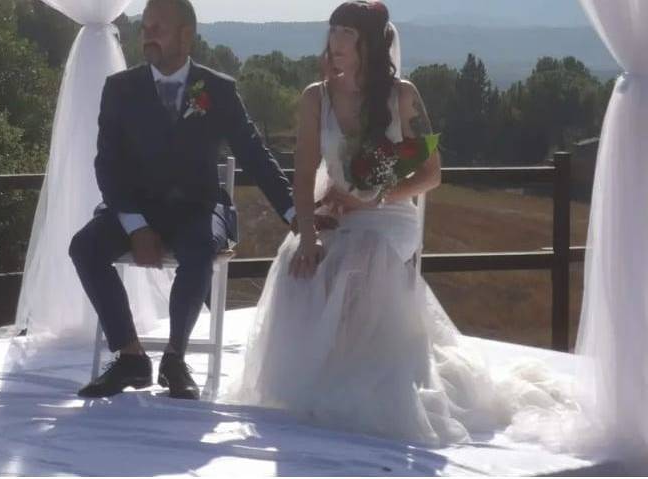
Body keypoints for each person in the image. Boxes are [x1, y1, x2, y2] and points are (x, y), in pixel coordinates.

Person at [224, 1, 569, 446]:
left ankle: (361, 376)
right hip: (340, 209)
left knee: (361, 259)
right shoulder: (316, 98)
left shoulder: (403, 95)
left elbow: (432, 174)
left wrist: (375, 195)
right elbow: (305, 172)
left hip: (389, 215)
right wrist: (307, 234)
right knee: (298, 260)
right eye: (332, 30)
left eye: (346, 32)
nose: (334, 41)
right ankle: (318, 375)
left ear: (368, 43)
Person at [69, 0, 333, 400]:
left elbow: (254, 154)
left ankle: (175, 358)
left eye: (159, 27)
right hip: (136, 209)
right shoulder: (120, 89)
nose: (148, 34)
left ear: (186, 35)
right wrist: (136, 226)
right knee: (84, 247)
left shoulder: (218, 90)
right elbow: (107, 166)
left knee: (200, 248)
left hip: (198, 207)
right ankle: (130, 355)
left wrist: (296, 213)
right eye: (146, 27)